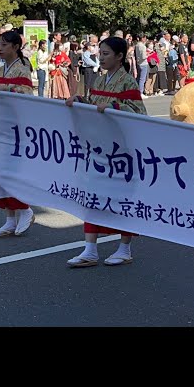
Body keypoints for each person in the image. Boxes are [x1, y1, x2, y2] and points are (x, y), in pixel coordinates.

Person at [65, 36, 148, 267]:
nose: (101, 57)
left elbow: (139, 113)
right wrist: (79, 99)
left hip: (121, 150)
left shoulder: (128, 82)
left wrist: (114, 107)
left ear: (120, 57)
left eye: (106, 54)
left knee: (121, 198)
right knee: (91, 195)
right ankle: (90, 249)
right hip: (98, 147)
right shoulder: (99, 81)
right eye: (100, 53)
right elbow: (92, 103)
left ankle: (125, 247)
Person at [0, 31, 37, 237]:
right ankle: (9, 218)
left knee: (14, 171)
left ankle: (25, 209)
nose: (0, 48)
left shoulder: (22, 68)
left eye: (4, 45)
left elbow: (27, 94)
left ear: (15, 47)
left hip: (16, 126)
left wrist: (8, 87)